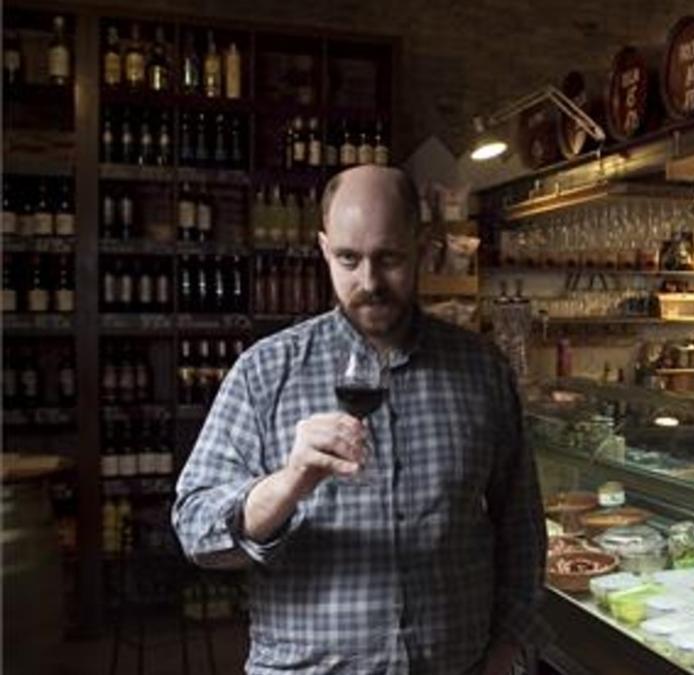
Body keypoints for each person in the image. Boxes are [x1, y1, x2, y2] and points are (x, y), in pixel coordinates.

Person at [173, 165, 547, 674]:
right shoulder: (265, 371)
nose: (369, 282)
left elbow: (521, 527)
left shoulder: (482, 370)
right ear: (324, 249)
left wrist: (510, 647)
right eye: (348, 259)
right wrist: (288, 484)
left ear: (420, 246)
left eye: (389, 258)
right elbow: (196, 531)